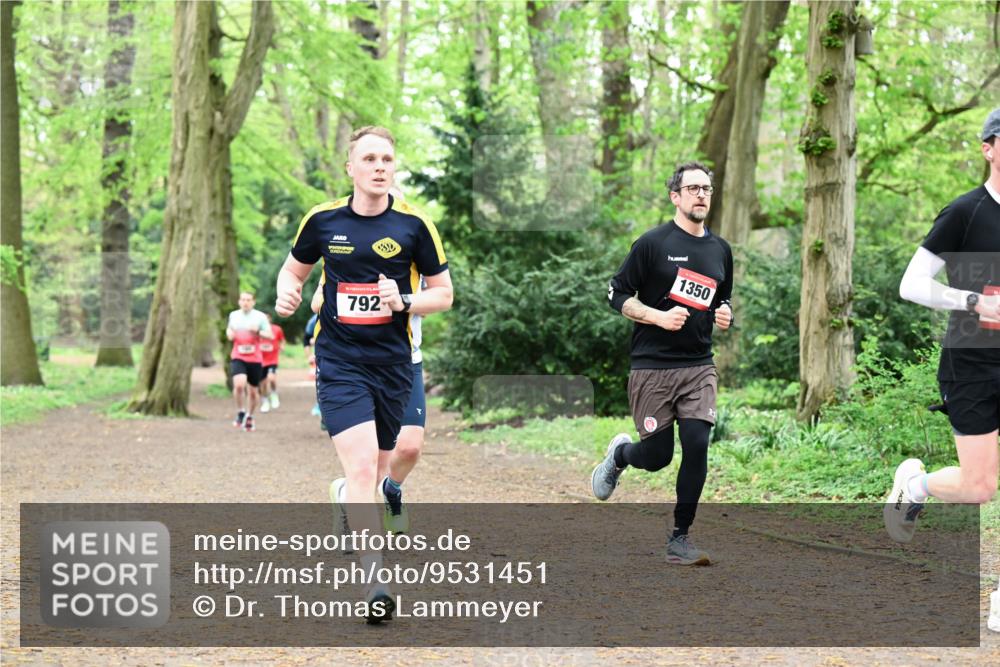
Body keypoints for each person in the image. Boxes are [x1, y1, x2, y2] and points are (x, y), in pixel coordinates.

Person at [275, 126, 452, 622]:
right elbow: (293, 271)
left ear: (394, 168)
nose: (379, 166)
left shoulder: (415, 227)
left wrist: (406, 301)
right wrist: (285, 293)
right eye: (369, 158)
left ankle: (352, 501)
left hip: (395, 365)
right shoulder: (323, 221)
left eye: (387, 159)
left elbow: (444, 293)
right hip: (340, 362)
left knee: (380, 467)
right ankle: (376, 580)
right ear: (350, 168)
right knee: (359, 471)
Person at [888, 109, 1000, 632]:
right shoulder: (965, 212)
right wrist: (973, 299)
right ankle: (917, 485)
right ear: (988, 148)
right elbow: (912, 284)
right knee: (980, 487)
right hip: (973, 362)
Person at [593, 161, 733, 566]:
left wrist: (725, 313)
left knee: (697, 445)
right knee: (657, 458)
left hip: (698, 367)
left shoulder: (720, 250)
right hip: (652, 366)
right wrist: (657, 316)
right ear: (675, 196)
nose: (701, 194)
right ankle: (620, 456)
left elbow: (721, 298)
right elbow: (616, 294)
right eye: (692, 188)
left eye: (706, 188)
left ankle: (680, 537)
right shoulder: (652, 244)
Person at [226, 292, 273, 432]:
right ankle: (240, 411)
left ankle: (250, 416)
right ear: (239, 302)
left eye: (248, 300)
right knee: (239, 385)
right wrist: (229, 333)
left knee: (253, 391)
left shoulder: (260, 317)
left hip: (255, 358)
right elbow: (229, 330)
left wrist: (258, 331)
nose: (245, 302)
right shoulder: (233, 315)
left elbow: (269, 335)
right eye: (243, 300)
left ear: (253, 302)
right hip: (238, 355)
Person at [259, 313, 285, 413]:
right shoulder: (258, 331)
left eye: (267, 318)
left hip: (272, 359)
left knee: (271, 378)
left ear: (270, 319)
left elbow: (282, 340)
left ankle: (274, 395)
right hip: (260, 360)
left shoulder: (277, 329)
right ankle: (265, 401)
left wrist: (282, 346)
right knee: (263, 383)